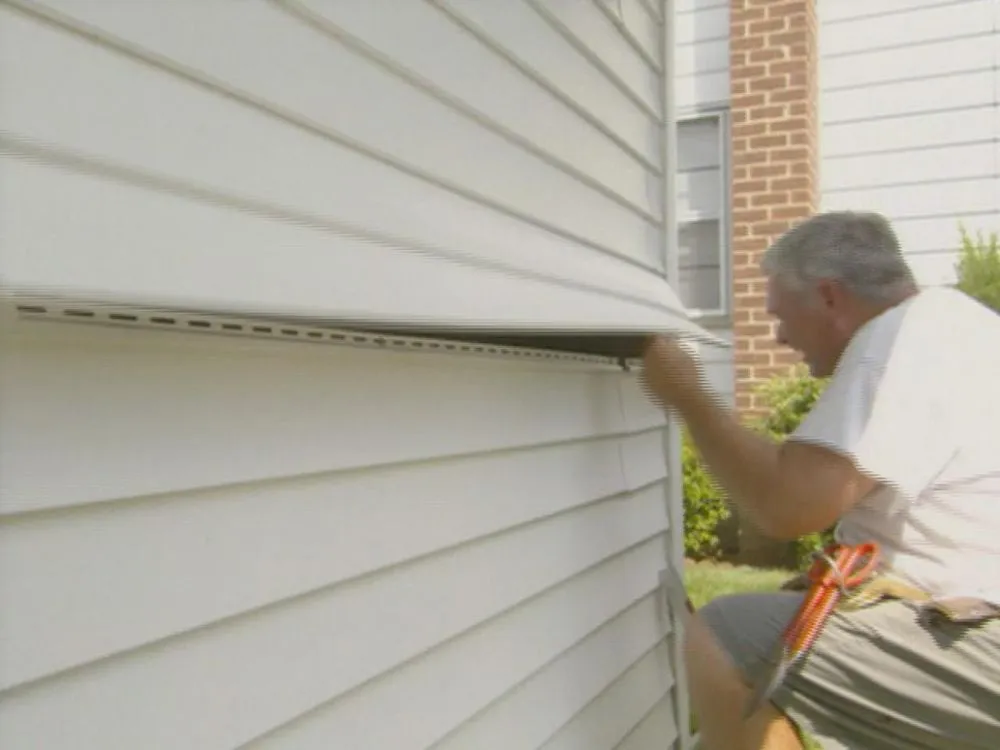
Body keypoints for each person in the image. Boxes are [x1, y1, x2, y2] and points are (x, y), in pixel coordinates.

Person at [641, 211, 1000, 749]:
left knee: (728, 637)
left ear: (830, 297)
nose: (780, 337)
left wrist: (689, 397)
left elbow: (790, 505)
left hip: (981, 640)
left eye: (782, 316)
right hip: (968, 624)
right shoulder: (955, 327)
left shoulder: (897, 343)